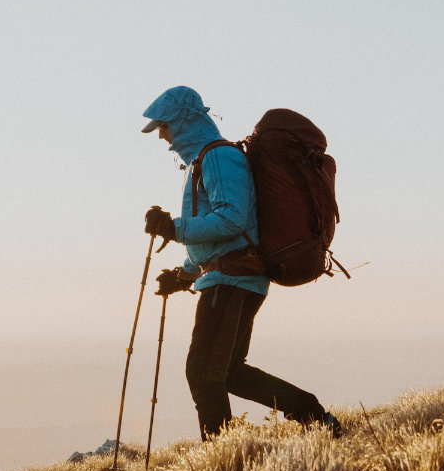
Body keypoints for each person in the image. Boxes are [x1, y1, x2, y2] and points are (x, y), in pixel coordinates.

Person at [139, 85, 341, 440]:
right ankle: (315, 417)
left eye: (164, 126)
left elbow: (231, 220)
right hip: (231, 277)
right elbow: (219, 236)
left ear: (183, 121)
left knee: (203, 374)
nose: (162, 136)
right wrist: (183, 276)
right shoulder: (204, 159)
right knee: (228, 372)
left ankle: (223, 455)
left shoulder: (219, 157)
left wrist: (173, 228)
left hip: (232, 280)